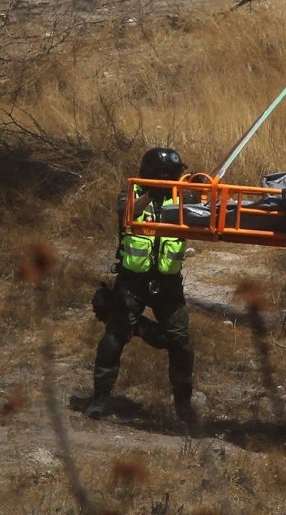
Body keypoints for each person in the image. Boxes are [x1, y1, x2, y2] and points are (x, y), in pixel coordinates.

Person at [87, 147, 198, 429]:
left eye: (170, 176)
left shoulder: (181, 198)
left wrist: (195, 191)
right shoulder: (132, 194)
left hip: (168, 283)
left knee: (179, 341)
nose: (166, 180)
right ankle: (100, 397)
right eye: (160, 176)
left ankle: (183, 405)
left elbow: (206, 212)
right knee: (115, 336)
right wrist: (151, 193)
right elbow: (127, 215)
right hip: (132, 280)